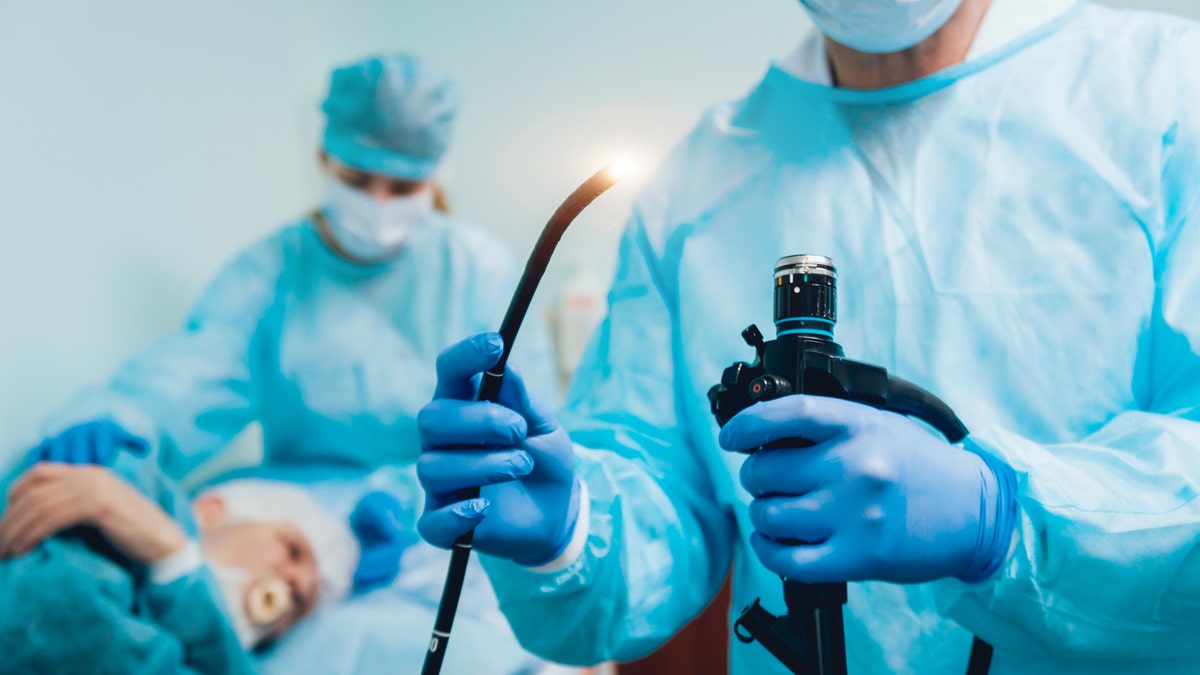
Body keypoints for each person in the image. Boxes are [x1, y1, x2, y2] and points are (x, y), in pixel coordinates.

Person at [415, 0, 1200, 673]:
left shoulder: (1168, 93)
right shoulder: (699, 179)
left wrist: (1003, 515)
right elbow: (660, 498)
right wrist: (570, 530)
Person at [26, 53, 553, 673]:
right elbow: (192, 371)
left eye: (403, 187)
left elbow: (522, 430)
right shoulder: (268, 273)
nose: (378, 204)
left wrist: (405, 502)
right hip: (302, 521)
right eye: (358, 179)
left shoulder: (478, 271)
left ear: (436, 177)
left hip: (448, 516)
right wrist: (118, 421)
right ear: (323, 158)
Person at [0, 443, 357, 673]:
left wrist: (175, 561)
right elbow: (45, 626)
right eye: (292, 549)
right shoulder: (128, 491)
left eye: (300, 603)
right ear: (212, 511)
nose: (297, 583)